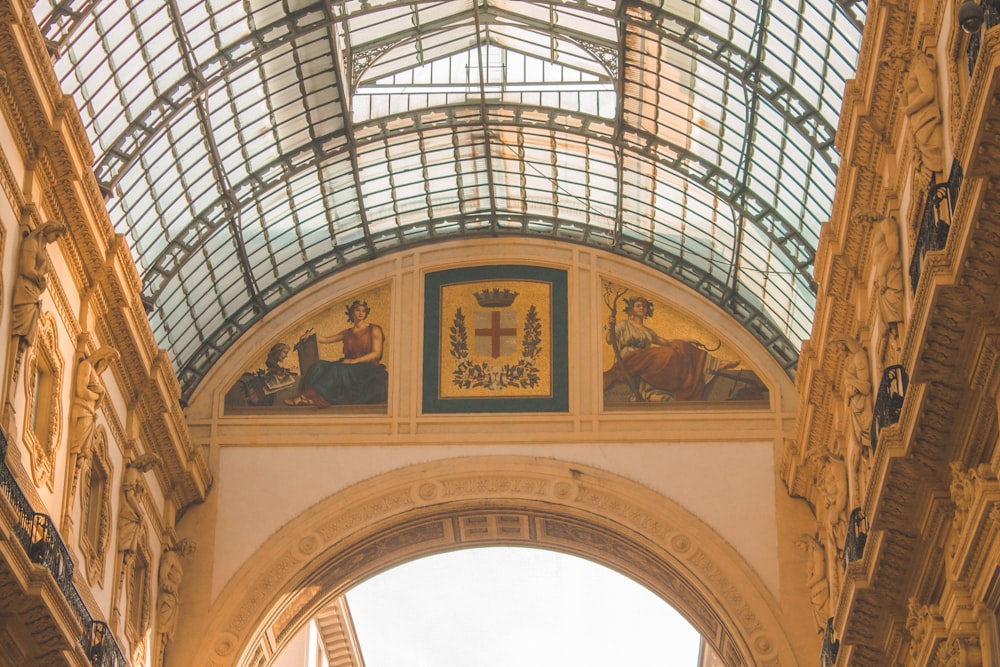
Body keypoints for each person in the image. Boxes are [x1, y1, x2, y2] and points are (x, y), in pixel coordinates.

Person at [603, 295, 737, 401]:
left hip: (645, 357)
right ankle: (651, 392)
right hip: (630, 357)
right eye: (638, 306)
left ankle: (715, 363)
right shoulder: (624, 324)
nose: (642, 308)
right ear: (631, 309)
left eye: (644, 306)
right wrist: (611, 326)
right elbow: (609, 340)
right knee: (666, 354)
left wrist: (686, 341)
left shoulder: (648, 331)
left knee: (679, 346)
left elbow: (665, 341)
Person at [284, 299, 387, 406]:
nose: (361, 313)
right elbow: (326, 339)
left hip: (366, 367)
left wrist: (354, 361)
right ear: (352, 313)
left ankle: (305, 396)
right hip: (349, 365)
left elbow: (376, 354)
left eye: (363, 311)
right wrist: (311, 335)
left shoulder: (374, 330)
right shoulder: (347, 333)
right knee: (319, 366)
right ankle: (314, 400)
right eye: (358, 310)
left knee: (338, 368)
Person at [67, 346, 120, 505]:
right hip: (82, 412)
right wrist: (99, 394)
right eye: (108, 361)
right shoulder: (86, 367)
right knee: (75, 450)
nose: (107, 365)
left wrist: (99, 395)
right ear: (101, 357)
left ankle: (70, 494)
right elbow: (81, 391)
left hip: (89, 415)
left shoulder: (93, 373)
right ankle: (69, 494)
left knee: (80, 456)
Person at [12, 221, 66, 349]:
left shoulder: (43, 249)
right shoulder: (32, 243)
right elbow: (26, 268)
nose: (56, 239)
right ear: (49, 230)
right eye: (56, 235)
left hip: (33, 294)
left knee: (23, 335)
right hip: (25, 291)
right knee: (17, 330)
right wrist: (40, 279)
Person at [902, 51, 944, 174]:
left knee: (935, 155)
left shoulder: (919, 65)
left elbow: (929, 93)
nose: (895, 69)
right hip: (918, 122)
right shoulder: (910, 72)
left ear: (900, 56)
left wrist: (909, 109)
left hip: (927, 118)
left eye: (893, 64)